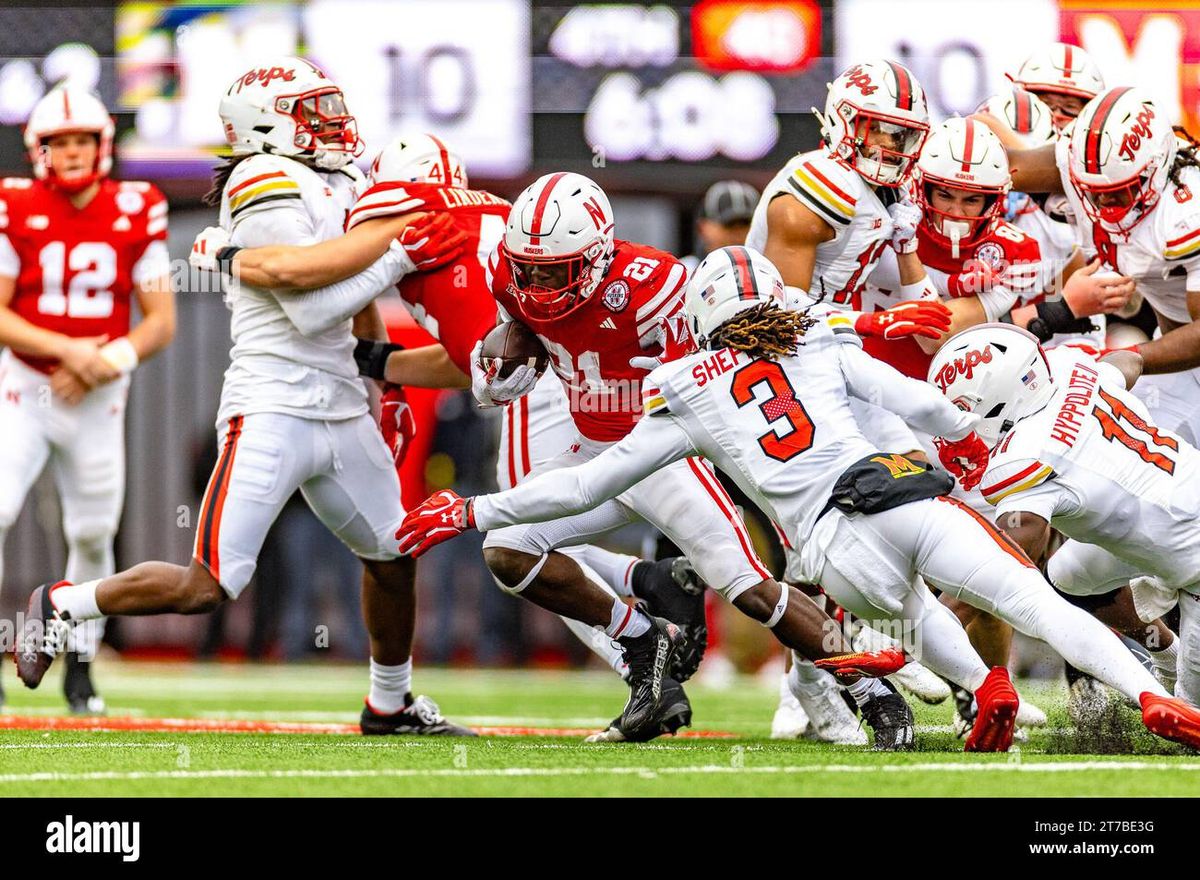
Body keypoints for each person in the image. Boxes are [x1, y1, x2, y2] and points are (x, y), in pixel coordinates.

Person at [399, 245, 1200, 753]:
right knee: (1032, 598)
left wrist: (472, 510)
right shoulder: (819, 333)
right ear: (778, 304)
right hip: (899, 490)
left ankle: (983, 687)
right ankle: (1155, 699)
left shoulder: (686, 385)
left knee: (913, 615)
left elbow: (587, 484)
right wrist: (984, 425)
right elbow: (922, 406)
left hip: (829, 549)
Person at [16, 57, 473, 737]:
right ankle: (62, 603)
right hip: (273, 405)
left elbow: (357, 300)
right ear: (268, 124)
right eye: (313, 110)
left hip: (344, 403)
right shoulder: (262, 177)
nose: (332, 122)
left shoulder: (338, 178)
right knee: (208, 585)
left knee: (392, 555)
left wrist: (383, 376)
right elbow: (314, 309)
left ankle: (390, 703)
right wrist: (399, 248)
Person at [199, 133, 707, 736]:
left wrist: (226, 254)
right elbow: (466, 356)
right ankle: (641, 582)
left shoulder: (397, 205)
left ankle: (643, 661)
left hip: (531, 381)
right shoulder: (489, 208)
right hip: (567, 368)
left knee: (519, 542)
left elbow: (314, 302)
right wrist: (378, 367)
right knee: (531, 532)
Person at [473, 173, 912, 745]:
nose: (536, 283)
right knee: (507, 550)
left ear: (597, 254)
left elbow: (742, 342)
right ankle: (639, 640)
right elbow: (522, 326)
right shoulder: (512, 275)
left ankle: (869, 689)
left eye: (552, 271)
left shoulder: (658, 285)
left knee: (750, 588)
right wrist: (504, 358)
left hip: (663, 453)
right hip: (590, 448)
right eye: (527, 269)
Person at [0, 86, 175, 714]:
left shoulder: (137, 205)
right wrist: (67, 351)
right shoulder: (13, 202)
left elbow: (159, 319)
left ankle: (80, 667)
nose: (72, 152)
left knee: (93, 531)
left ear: (101, 145)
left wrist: (104, 361)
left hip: (98, 395)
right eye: (59, 142)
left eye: (81, 140)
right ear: (38, 149)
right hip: (24, 385)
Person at [930, 325, 1186, 700]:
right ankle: (1166, 653)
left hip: (1185, 541)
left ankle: (1169, 633)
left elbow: (995, 567)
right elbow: (1129, 360)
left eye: (964, 410)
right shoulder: (1070, 369)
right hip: (1168, 504)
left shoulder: (1024, 456)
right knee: (1068, 575)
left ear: (1000, 398)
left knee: (1192, 707)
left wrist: (921, 629)